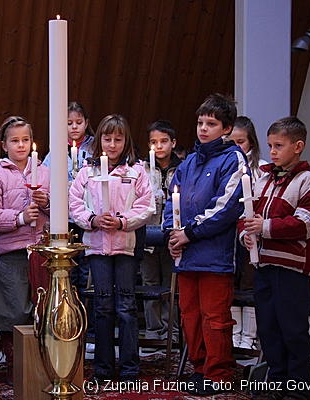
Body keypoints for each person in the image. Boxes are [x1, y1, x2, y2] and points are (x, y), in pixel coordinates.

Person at [162, 93, 245, 396]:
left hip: (214, 256)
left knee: (214, 317)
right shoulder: (189, 162)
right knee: (190, 315)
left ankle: (218, 373)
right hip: (186, 253)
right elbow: (172, 200)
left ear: (226, 128)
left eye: (211, 124)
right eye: (200, 123)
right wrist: (172, 234)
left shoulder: (233, 159)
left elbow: (226, 206)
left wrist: (189, 233)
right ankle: (200, 369)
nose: (203, 129)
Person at [241, 117, 310, 400]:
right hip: (265, 266)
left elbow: (305, 224)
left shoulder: (308, 182)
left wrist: (264, 227)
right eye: (270, 145)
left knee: (292, 330)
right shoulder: (264, 179)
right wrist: (246, 234)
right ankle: (276, 382)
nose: (273, 151)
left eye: (279, 146)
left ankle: (298, 387)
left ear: (298, 146)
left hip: (292, 270)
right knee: (268, 328)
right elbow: (247, 215)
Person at [69, 114, 153, 382]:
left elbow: (146, 206)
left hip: (125, 246)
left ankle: (130, 369)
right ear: (100, 140)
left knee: (126, 307)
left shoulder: (136, 171)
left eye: (118, 139)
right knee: (103, 306)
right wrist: (92, 220)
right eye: (107, 139)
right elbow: (74, 204)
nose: (113, 145)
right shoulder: (87, 171)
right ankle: (103, 368)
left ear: (126, 141)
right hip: (97, 248)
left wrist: (122, 221)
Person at [0, 116, 50, 385]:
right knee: (13, 310)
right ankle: (15, 365)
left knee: (44, 309)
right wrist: (19, 217)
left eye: (25, 140)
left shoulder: (45, 172)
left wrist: (47, 203)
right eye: (15, 140)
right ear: (4, 145)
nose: (21, 145)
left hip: (43, 250)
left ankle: (44, 364)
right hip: (12, 251)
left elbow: (66, 209)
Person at [42, 101, 96, 351]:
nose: (74, 127)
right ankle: (66, 326)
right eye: (68, 123)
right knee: (68, 275)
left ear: (86, 123)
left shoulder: (94, 148)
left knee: (88, 276)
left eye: (78, 122)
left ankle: (89, 329)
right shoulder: (54, 151)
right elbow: (46, 180)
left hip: (89, 220)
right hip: (64, 220)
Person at [140, 120, 182, 343]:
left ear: (173, 143)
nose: (159, 146)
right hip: (148, 230)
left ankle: (171, 329)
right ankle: (152, 329)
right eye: (153, 142)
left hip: (172, 231)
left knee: (170, 281)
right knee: (149, 281)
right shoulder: (142, 168)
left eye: (164, 141)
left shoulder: (182, 168)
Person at [228, 115, 267, 350]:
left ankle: (249, 337)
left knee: (249, 281)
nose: (236, 147)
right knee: (231, 281)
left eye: (240, 142)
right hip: (228, 230)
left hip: (252, 231)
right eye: (231, 142)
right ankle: (235, 334)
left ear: (251, 141)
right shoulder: (224, 166)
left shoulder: (261, 169)